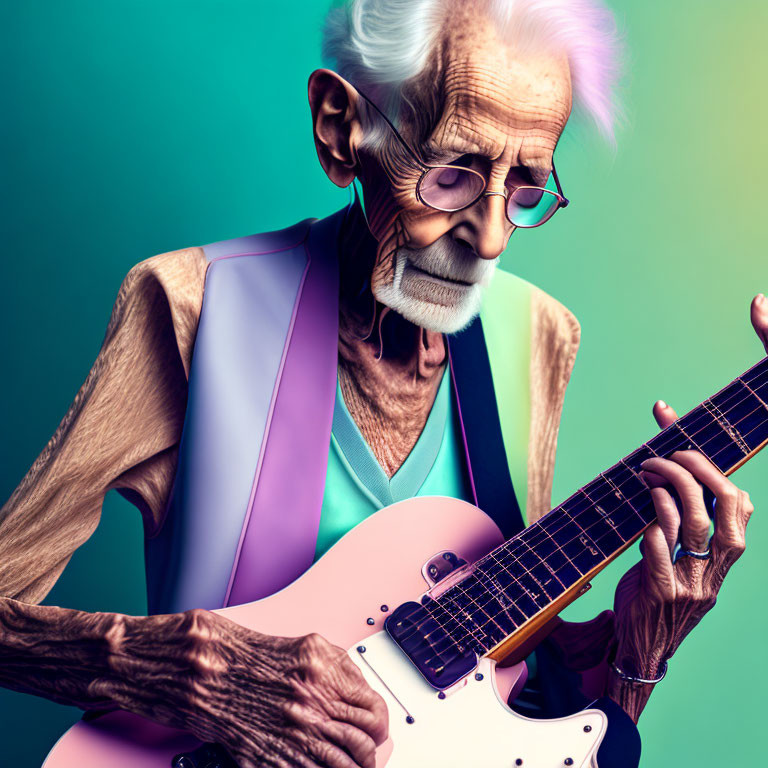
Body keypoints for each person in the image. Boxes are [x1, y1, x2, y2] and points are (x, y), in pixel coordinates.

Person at [0, 1, 764, 766]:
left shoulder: (538, 333)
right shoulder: (190, 306)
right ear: (340, 130)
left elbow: (497, 667)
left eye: (526, 187)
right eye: (452, 173)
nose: (491, 237)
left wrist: (631, 654)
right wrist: (183, 666)